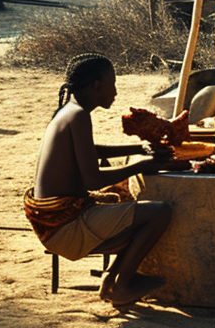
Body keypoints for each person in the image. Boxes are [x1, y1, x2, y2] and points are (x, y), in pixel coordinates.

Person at [24, 53, 186, 306]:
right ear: (97, 85)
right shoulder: (78, 116)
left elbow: (90, 150)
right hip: (65, 227)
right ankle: (121, 285)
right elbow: (92, 180)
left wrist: (138, 149)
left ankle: (111, 282)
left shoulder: (69, 111)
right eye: (113, 84)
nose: (116, 92)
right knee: (160, 211)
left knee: (127, 196)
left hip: (58, 220)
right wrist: (143, 165)